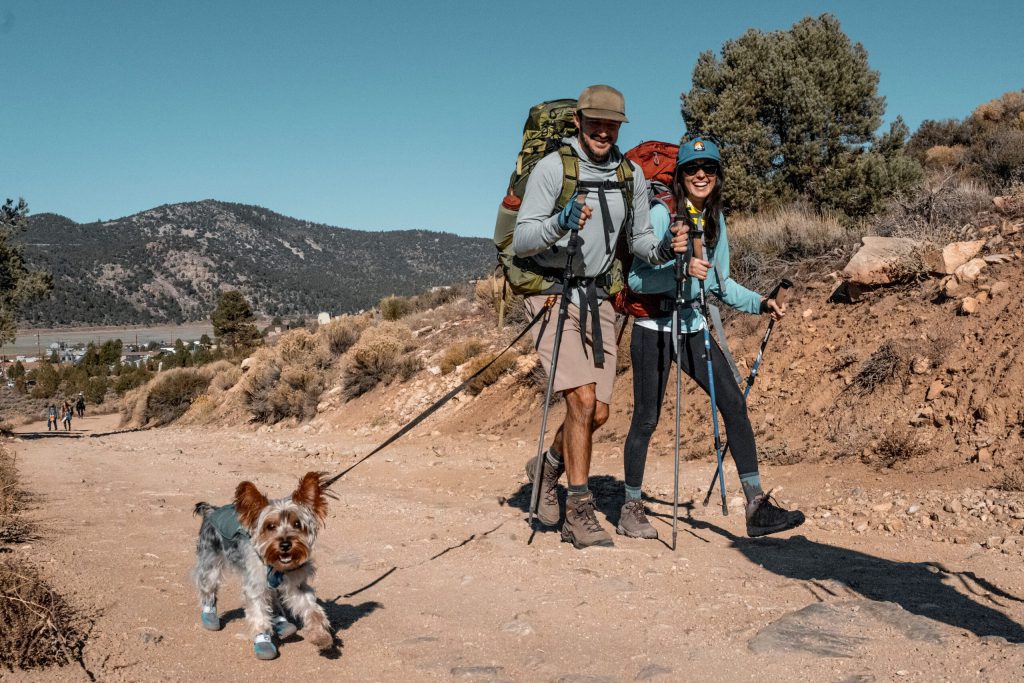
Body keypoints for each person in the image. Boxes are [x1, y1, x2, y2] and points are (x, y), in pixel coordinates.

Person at [514, 85, 681, 548]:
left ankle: (548, 466)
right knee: (582, 401)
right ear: (579, 123)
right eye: (595, 123)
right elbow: (523, 240)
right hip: (553, 294)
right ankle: (578, 511)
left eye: (612, 124)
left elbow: (642, 239)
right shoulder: (553, 170)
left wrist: (667, 248)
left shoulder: (631, 176)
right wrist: (559, 223)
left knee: (599, 413)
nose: (603, 131)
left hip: (598, 298)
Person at [619, 136, 805, 539]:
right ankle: (630, 507)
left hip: (692, 326)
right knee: (647, 418)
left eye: (709, 169)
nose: (700, 175)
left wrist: (760, 303)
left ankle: (756, 507)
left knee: (734, 403)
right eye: (691, 169)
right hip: (653, 328)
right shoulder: (661, 213)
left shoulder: (716, 220)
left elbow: (720, 283)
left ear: (718, 176)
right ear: (680, 175)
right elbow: (635, 278)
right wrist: (678, 271)